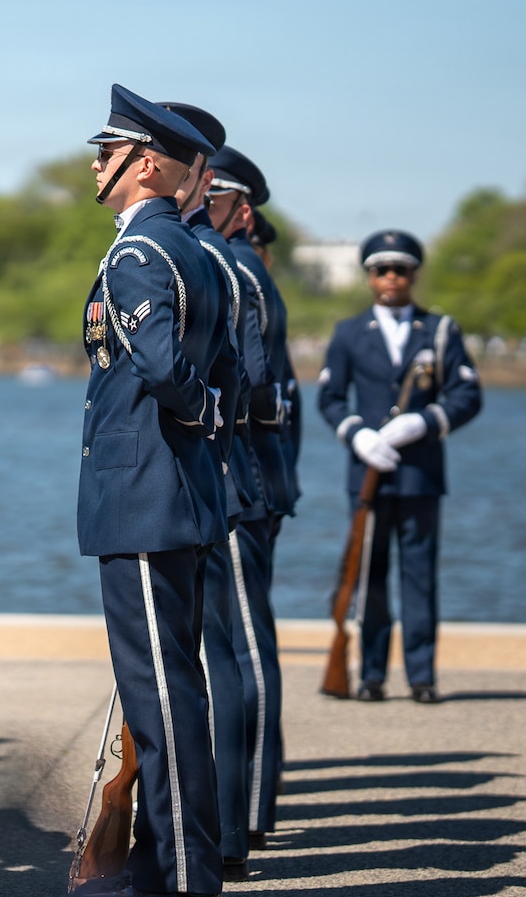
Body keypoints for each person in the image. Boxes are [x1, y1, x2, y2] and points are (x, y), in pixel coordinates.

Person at [69, 85, 235, 897]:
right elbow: (229, 366)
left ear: (148, 165)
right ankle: (167, 859)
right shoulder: (197, 251)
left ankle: (182, 870)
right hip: (178, 490)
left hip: (143, 493)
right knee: (172, 682)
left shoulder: (140, 254)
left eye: (108, 152)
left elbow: (170, 369)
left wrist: (194, 410)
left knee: (161, 688)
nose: (95, 164)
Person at [162, 103, 264, 884]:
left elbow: (244, 377)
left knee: (224, 656)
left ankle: (230, 825)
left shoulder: (208, 258)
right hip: (199, 475)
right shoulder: (191, 250)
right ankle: (219, 827)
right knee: (195, 659)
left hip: (212, 477)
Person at [317, 231, 484, 703]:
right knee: (368, 576)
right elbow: (329, 398)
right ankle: (370, 675)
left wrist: (425, 422)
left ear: (414, 274)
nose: (391, 278)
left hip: (420, 473)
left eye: (401, 269)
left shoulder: (440, 330)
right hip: (367, 474)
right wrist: (357, 434)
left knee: (418, 576)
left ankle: (422, 676)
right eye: (381, 269)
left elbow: (468, 396)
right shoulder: (349, 332)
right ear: (369, 276)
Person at [206, 146, 289, 850]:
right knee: (231, 643)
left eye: (214, 196)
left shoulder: (235, 266)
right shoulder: (227, 260)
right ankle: (243, 808)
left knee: (243, 648)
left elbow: (257, 388)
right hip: (241, 471)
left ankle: (248, 813)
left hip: (234, 473)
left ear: (240, 206)